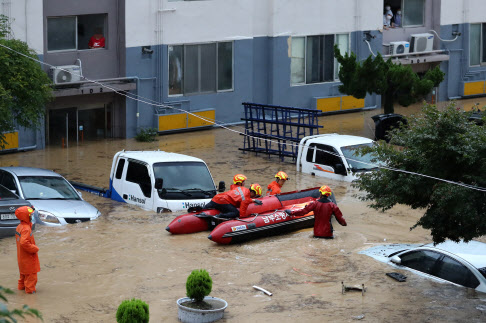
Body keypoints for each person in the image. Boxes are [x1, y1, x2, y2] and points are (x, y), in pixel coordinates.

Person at [15, 206, 40, 294]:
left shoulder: (20, 226)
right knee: (31, 277)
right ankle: (30, 296)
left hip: (21, 258)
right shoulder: (26, 228)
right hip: (28, 258)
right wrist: (35, 248)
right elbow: (24, 242)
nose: (32, 216)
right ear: (26, 216)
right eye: (31, 215)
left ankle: (21, 291)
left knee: (23, 276)